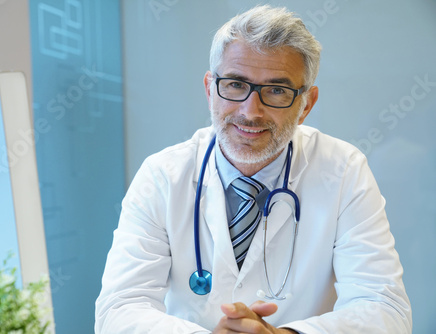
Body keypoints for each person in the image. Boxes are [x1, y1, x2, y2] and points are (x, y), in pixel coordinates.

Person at [95, 5, 411, 333]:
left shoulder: (344, 171)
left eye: (276, 90)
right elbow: (120, 309)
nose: (251, 111)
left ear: (306, 104)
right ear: (209, 89)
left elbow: (385, 308)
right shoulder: (162, 175)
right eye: (235, 84)